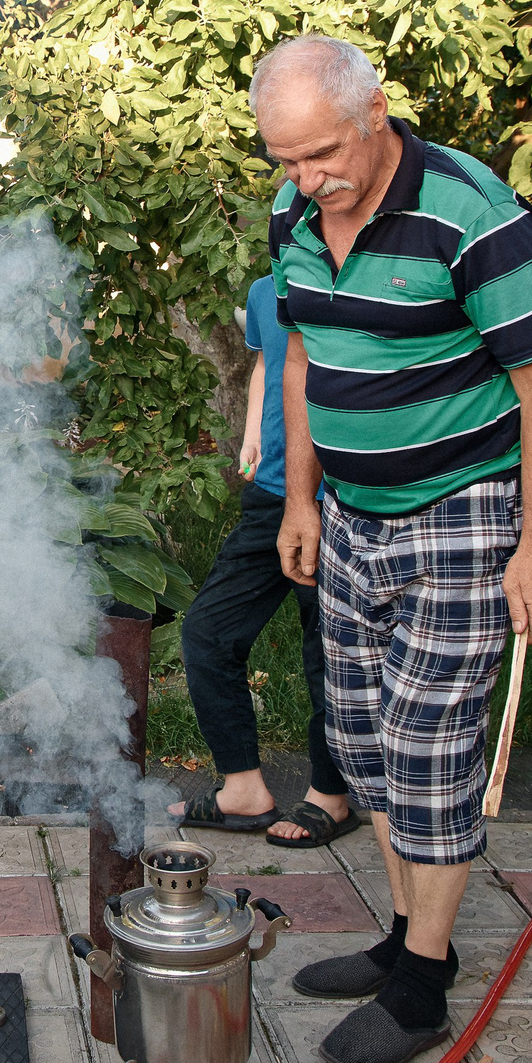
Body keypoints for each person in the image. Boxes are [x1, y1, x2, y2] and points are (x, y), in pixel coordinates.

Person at [252, 34, 532, 1063]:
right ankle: (401, 933)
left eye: (320, 156)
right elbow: (302, 355)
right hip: (350, 512)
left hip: (464, 507)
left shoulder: (470, 212)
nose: (305, 183)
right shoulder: (295, 213)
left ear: (376, 112)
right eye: (285, 161)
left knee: (427, 743)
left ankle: (423, 984)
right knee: (361, 737)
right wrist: (299, 497)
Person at [168, 274, 355, 847]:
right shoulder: (264, 291)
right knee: (208, 631)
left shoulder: (355, 288)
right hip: (271, 493)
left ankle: (332, 796)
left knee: (326, 653)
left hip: (338, 497)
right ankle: (243, 791)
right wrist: (251, 435)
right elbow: (265, 368)